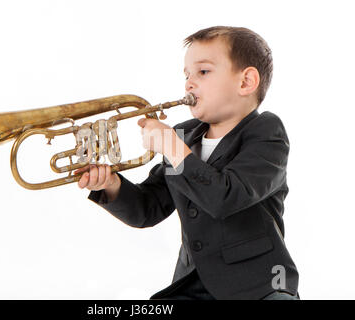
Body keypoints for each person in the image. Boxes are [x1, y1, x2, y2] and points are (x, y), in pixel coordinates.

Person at [74, 26, 300, 300]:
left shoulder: (267, 133)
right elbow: (148, 208)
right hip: (192, 285)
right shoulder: (184, 134)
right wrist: (110, 184)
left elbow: (225, 198)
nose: (189, 83)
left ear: (246, 82)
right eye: (186, 75)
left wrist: (172, 147)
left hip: (260, 286)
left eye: (203, 72)